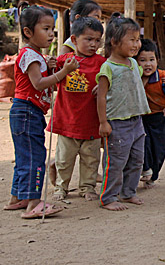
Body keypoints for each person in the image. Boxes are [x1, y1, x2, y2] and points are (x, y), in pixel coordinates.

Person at [4, 5, 78, 219]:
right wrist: (63, 72)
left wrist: (52, 68)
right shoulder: (31, 56)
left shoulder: (34, 56)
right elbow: (38, 84)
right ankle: (34, 203)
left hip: (24, 112)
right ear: (28, 32)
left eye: (52, 29)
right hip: (27, 111)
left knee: (24, 156)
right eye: (45, 29)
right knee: (35, 157)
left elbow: (43, 82)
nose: (51, 34)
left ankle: (18, 197)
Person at [47, 17, 106, 202]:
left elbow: (112, 81)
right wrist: (50, 65)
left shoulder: (102, 63)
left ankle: (87, 187)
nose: (93, 44)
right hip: (67, 122)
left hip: (92, 123)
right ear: (74, 40)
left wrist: (105, 87)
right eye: (88, 39)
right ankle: (61, 187)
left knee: (91, 159)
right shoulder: (64, 60)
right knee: (64, 160)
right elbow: (49, 76)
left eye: (97, 40)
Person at [96, 16, 151, 211]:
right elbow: (101, 97)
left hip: (136, 120)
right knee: (116, 162)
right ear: (114, 42)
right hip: (117, 122)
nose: (137, 44)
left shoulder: (133, 64)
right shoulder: (108, 68)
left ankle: (128, 192)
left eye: (138, 39)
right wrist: (103, 123)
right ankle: (108, 197)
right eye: (132, 39)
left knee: (137, 159)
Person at [135, 39, 165, 188]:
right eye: (142, 60)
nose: (147, 64)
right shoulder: (135, 77)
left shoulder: (163, 76)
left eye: (151, 60)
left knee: (159, 148)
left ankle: (153, 175)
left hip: (160, 117)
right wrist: (144, 78)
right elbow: (138, 90)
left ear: (157, 60)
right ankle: (146, 169)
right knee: (144, 144)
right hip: (143, 117)